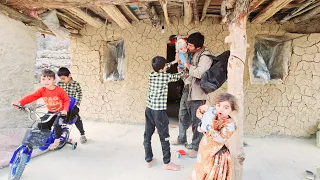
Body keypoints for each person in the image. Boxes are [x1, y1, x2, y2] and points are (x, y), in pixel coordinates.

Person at [143, 56, 183, 171]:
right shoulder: (165, 77)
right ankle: (167, 163)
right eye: (165, 66)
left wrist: (175, 62)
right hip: (159, 112)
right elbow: (177, 76)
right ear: (162, 68)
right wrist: (184, 69)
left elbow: (164, 68)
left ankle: (149, 159)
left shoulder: (151, 75)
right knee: (164, 137)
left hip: (149, 109)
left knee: (147, 135)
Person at [14, 69, 70, 150]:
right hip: (51, 112)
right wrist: (20, 102)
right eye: (43, 79)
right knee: (41, 123)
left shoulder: (59, 90)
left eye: (49, 79)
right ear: (40, 79)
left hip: (61, 112)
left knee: (56, 124)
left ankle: (57, 140)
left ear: (54, 80)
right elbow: (32, 96)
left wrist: (65, 110)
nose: (46, 81)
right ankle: (46, 137)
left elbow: (66, 100)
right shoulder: (42, 90)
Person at [190, 93, 238, 180]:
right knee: (201, 169)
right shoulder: (213, 113)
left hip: (217, 153)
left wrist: (205, 127)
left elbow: (219, 139)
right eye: (218, 105)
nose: (221, 109)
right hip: (205, 149)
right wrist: (202, 109)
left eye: (226, 107)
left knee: (212, 173)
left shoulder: (229, 125)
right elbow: (199, 114)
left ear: (232, 110)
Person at [184, 32, 213, 158]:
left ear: (198, 47)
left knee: (198, 122)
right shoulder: (196, 53)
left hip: (199, 94)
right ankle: (194, 143)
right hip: (191, 91)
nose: (188, 47)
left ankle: (197, 148)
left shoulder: (206, 57)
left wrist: (188, 66)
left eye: (190, 45)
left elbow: (200, 73)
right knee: (192, 120)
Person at [57, 67, 87, 143]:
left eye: (63, 78)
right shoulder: (59, 84)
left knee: (76, 118)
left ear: (69, 75)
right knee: (59, 119)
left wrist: (77, 104)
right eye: (61, 79)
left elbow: (80, 93)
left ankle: (82, 134)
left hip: (72, 104)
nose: (62, 80)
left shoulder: (75, 84)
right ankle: (59, 135)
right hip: (62, 105)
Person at [171, 38, 192, 146]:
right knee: (182, 113)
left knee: (193, 115)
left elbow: (189, 67)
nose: (186, 49)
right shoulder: (182, 54)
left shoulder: (190, 54)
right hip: (186, 87)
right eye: (183, 48)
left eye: (186, 47)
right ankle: (182, 138)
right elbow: (182, 64)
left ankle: (196, 143)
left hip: (194, 89)